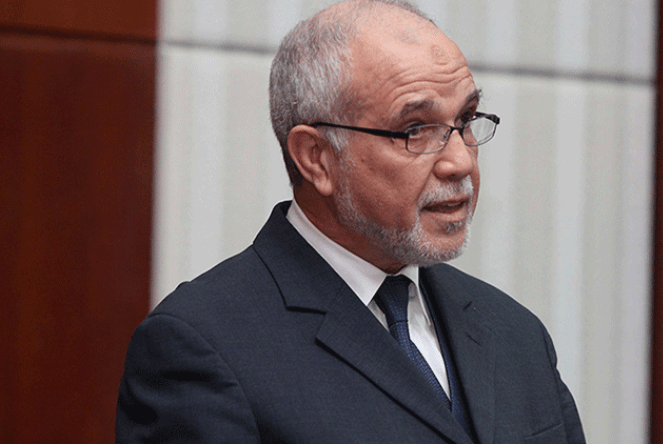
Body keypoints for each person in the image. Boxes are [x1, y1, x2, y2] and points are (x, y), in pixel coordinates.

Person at [116, 1, 586, 443]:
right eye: (414, 130)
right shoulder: (202, 347)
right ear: (316, 157)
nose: (460, 161)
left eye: (464, 120)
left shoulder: (514, 333)